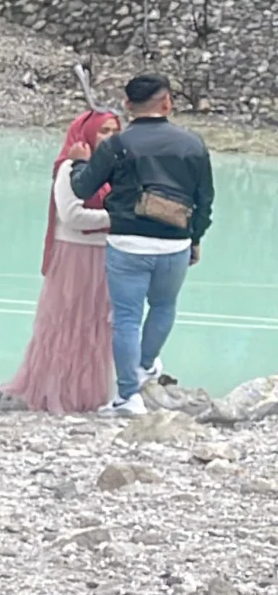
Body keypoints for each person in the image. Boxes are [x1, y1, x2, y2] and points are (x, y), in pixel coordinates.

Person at [71, 75, 213, 416]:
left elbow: (82, 188)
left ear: (126, 104)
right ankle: (146, 365)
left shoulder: (116, 145)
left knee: (125, 318)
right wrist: (196, 237)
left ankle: (127, 396)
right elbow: (205, 199)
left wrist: (78, 161)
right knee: (164, 307)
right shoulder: (192, 144)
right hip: (174, 243)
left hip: (128, 243)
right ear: (166, 103)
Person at [6, 111, 121, 414]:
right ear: (88, 135)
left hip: (107, 254)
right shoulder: (69, 168)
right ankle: (54, 391)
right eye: (104, 131)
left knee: (97, 326)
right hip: (75, 255)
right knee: (67, 324)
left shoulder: (118, 170)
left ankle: (89, 394)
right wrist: (123, 218)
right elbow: (71, 215)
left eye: (115, 131)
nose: (111, 137)